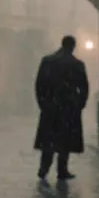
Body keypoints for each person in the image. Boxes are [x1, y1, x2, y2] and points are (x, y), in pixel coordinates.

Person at [33, 35, 89, 181]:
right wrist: (79, 104)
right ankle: (62, 170)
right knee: (65, 141)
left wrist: (43, 103)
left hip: (51, 107)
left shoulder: (48, 61)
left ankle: (44, 168)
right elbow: (83, 87)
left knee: (49, 140)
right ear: (73, 46)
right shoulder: (76, 64)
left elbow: (39, 85)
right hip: (68, 108)